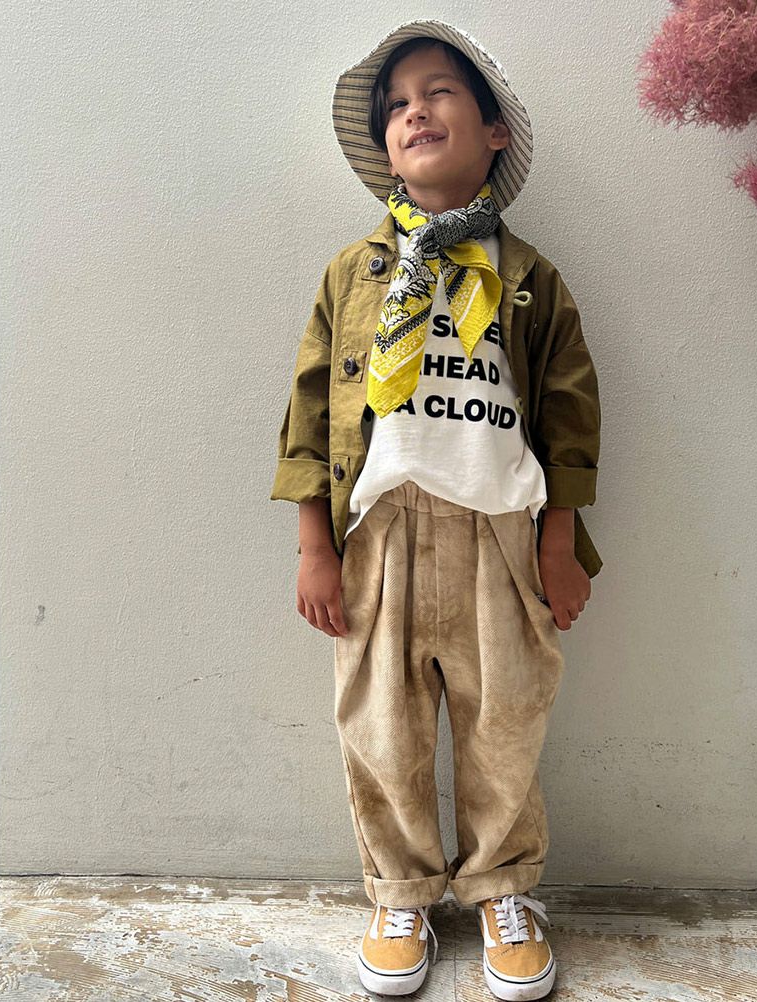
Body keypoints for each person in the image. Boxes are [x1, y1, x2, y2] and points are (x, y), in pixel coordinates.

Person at [271, 20, 602, 1000]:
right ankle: (402, 890)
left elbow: (568, 413)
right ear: (386, 145)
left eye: (438, 92)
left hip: (500, 531)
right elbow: (308, 410)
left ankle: (503, 888)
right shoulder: (352, 274)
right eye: (396, 105)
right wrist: (314, 545)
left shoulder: (530, 277)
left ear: (494, 132)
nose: (413, 112)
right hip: (380, 533)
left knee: (507, 724)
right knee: (382, 728)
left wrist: (558, 541)